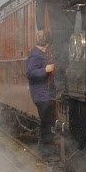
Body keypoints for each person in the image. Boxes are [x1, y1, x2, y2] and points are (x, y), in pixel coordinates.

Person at [36, 0, 79, 91]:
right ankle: (61, 87)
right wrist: (41, 27)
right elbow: (40, 5)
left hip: (74, 21)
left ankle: (74, 81)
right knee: (61, 53)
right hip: (57, 23)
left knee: (75, 53)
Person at [26, 33, 58, 162]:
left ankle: (46, 151)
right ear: (46, 46)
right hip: (42, 95)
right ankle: (46, 153)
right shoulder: (35, 55)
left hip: (45, 94)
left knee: (47, 123)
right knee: (47, 124)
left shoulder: (38, 54)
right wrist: (46, 70)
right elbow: (30, 73)